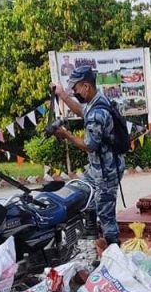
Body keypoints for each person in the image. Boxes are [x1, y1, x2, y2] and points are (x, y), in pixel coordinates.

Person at [51, 66, 125, 249]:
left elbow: (89, 145)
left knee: (106, 212)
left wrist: (66, 135)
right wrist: (62, 95)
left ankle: (114, 251)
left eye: (75, 88)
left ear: (86, 86)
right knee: (81, 190)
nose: (74, 92)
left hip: (107, 170)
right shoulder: (97, 100)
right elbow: (82, 112)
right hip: (97, 168)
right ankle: (91, 228)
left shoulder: (98, 113)